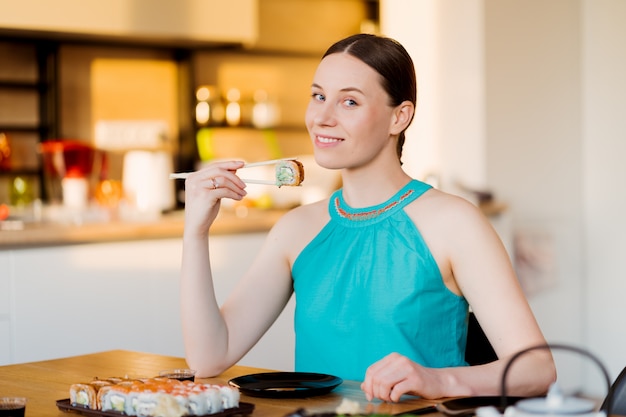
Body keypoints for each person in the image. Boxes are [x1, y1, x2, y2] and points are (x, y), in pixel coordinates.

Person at [179, 33, 556, 402]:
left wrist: (436, 380)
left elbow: (537, 370)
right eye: (318, 96)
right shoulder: (295, 229)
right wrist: (195, 232)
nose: (322, 118)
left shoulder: (455, 223)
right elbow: (210, 356)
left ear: (399, 117)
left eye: (350, 102)